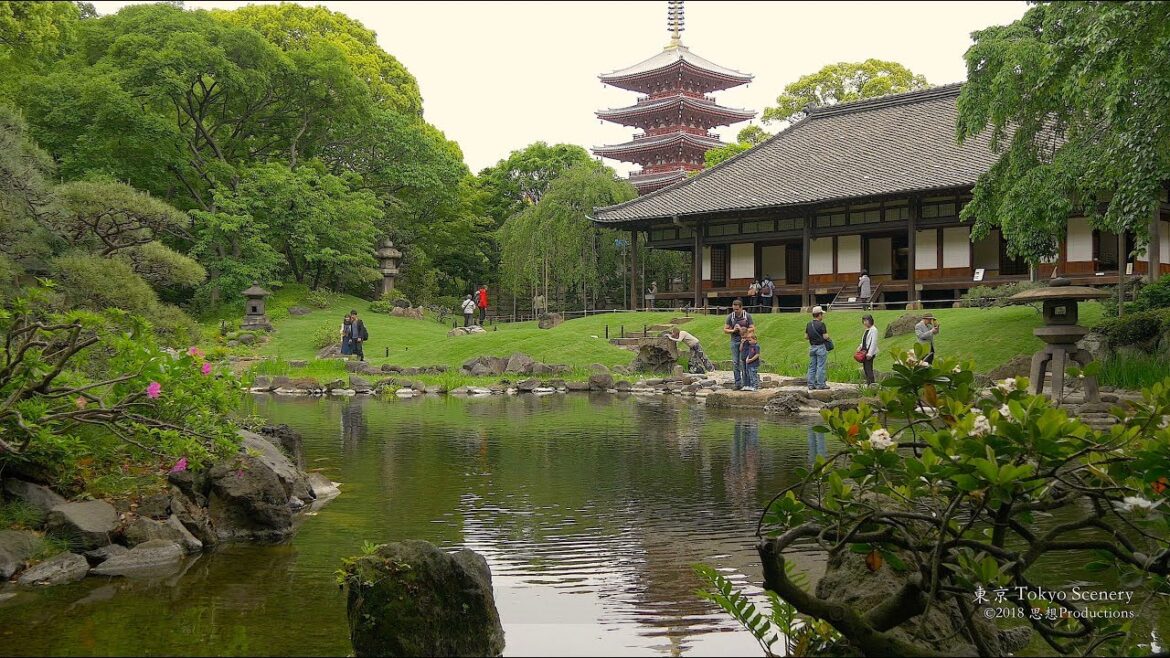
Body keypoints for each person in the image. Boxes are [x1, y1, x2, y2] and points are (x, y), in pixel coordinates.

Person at [723, 298, 754, 390]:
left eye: (737, 309)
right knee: (735, 362)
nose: (735, 311)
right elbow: (725, 329)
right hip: (734, 340)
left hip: (744, 341)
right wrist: (733, 330)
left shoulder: (747, 316)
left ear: (741, 308)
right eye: (734, 309)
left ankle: (746, 383)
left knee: (743, 361)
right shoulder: (730, 317)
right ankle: (737, 383)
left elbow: (752, 328)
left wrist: (743, 330)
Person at [805, 305, 830, 391]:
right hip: (820, 347)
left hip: (812, 347)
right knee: (820, 366)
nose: (822, 316)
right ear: (819, 315)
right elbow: (826, 336)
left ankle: (811, 384)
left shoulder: (809, 324)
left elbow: (806, 337)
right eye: (821, 314)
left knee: (812, 366)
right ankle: (821, 384)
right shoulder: (821, 324)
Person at [858, 314, 879, 385]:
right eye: (864, 321)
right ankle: (868, 383)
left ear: (870, 321)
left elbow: (873, 342)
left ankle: (872, 384)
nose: (865, 322)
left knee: (868, 368)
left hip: (869, 352)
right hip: (864, 352)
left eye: (866, 320)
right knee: (865, 368)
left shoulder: (874, 330)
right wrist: (860, 347)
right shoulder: (867, 330)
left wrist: (870, 353)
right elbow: (865, 340)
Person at [742, 327, 761, 391]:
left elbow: (757, 354)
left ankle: (755, 386)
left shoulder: (756, 346)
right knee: (749, 375)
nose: (749, 342)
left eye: (750, 340)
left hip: (754, 364)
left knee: (753, 375)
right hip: (749, 363)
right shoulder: (750, 346)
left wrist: (751, 359)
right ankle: (751, 385)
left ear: (755, 339)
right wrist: (747, 359)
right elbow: (749, 354)